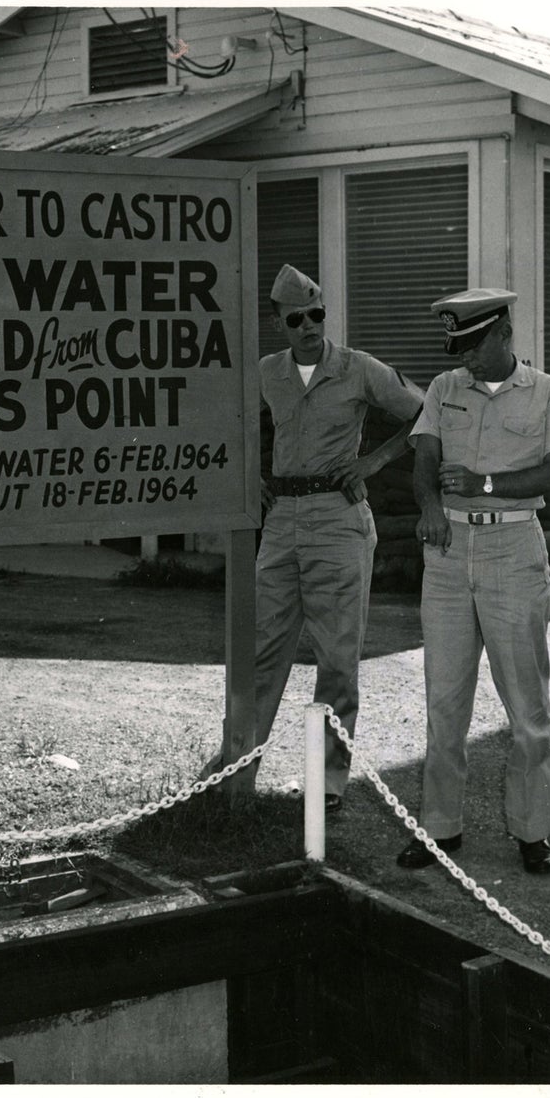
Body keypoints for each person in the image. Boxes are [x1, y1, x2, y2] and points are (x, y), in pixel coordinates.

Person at [214, 264, 423, 807]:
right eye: (296, 319)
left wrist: (374, 460)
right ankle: (235, 779)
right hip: (282, 519)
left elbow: (427, 416)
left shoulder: (358, 369)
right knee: (259, 652)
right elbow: (223, 418)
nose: (309, 326)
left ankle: (327, 783)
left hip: (338, 519)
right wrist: (249, 478)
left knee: (336, 662)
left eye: (317, 315)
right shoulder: (267, 371)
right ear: (279, 324)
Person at [399, 289, 550, 875]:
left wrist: (483, 484)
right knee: (444, 701)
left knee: (527, 704)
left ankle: (533, 832)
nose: (466, 360)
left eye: (474, 346)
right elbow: (424, 460)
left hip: (513, 547)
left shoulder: (549, 392)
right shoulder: (444, 389)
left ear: (504, 331)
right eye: (457, 348)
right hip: (449, 551)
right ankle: (439, 830)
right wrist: (429, 505)